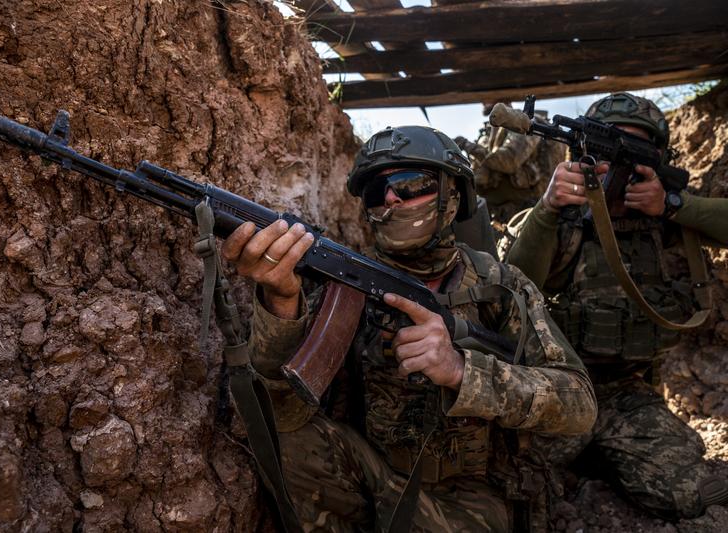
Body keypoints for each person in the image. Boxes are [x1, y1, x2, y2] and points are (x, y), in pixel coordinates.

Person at [222, 125, 597, 531]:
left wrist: (461, 371)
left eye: (409, 184)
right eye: (375, 191)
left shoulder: (501, 287)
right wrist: (280, 302)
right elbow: (282, 413)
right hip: (371, 472)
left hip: (470, 495)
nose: (390, 198)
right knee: (291, 441)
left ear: (453, 196)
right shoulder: (346, 283)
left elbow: (579, 406)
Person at [506, 92, 728, 520]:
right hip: (555, 388)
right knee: (512, 487)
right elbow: (513, 286)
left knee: (687, 493)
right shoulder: (557, 220)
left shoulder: (667, 222)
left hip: (628, 393)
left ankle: (608, 454)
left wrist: (674, 205)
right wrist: (548, 209)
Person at [455, 101, 567, 240]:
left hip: (523, 212)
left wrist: (468, 146)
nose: (483, 101)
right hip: (500, 213)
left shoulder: (523, 123)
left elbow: (509, 160)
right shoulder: (495, 130)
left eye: (487, 94)